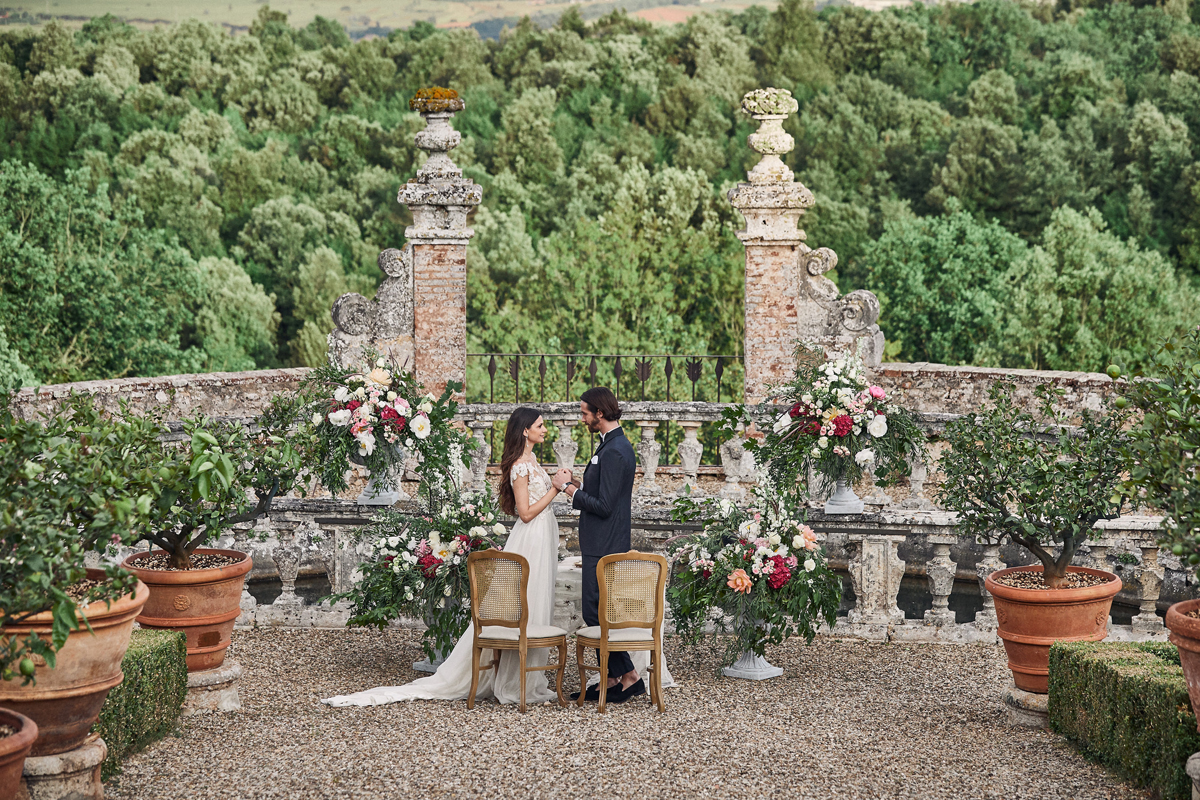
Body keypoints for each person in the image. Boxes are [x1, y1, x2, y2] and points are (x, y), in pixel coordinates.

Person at [322, 407, 561, 707]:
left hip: (543, 537)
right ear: (525, 430)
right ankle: (514, 680)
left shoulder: (533, 460)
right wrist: (555, 488)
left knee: (537, 597)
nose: (545, 429)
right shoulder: (519, 467)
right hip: (531, 539)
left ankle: (530, 676)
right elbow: (524, 513)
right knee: (521, 599)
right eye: (540, 425)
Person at [552, 386, 644, 703]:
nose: (582, 418)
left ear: (600, 414)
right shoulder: (608, 446)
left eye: (585, 413)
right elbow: (604, 494)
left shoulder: (616, 450)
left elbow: (605, 506)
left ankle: (628, 676)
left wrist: (567, 489)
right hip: (599, 541)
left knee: (596, 611)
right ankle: (614, 677)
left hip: (605, 543)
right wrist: (579, 485)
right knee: (600, 611)